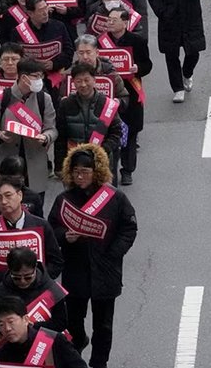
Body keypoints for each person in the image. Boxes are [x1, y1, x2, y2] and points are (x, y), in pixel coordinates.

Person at [48, 145, 137, 368]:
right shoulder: (64, 199)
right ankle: (77, 351)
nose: (80, 177)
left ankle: (99, 363)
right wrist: (64, 237)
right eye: (76, 171)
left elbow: (129, 228)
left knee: (103, 326)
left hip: (105, 271)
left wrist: (115, 253)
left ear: (96, 171)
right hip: (76, 270)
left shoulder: (115, 198)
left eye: (85, 172)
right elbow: (52, 229)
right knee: (74, 324)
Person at [0, 176, 63, 290]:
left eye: (8, 195)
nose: (4, 201)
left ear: (20, 195)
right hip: (3, 295)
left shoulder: (41, 226)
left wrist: (37, 279)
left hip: (36, 292)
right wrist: (3, 280)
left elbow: (56, 261)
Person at [0, 59, 57, 194]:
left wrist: (46, 137)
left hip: (34, 162)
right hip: (6, 160)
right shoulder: (2, 97)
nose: (40, 80)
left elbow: (52, 128)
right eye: (36, 76)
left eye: (41, 76)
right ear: (24, 77)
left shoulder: (44, 99)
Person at [103, 7, 152, 185]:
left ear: (125, 22)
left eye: (114, 20)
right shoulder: (101, 42)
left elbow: (147, 64)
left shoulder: (137, 41)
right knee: (110, 132)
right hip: (108, 93)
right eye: (108, 20)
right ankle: (110, 171)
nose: (110, 23)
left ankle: (128, 170)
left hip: (131, 92)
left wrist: (137, 68)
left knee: (130, 131)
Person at [54, 63, 123, 179]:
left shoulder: (107, 104)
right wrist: (59, 165)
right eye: (79, 81)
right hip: (75, 162)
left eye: (87, 80)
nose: (83, 84)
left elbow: (116, 133)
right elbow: (60, 137)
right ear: (73, 82)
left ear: (94, 80)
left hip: (101, 162)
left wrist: (102, 150)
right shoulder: (66, 104)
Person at [0, 247, 67, 337]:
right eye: (16, 278)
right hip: (10, 344)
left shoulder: (51, 289)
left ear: (35, 268)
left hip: (42, 343)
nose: (22, 281)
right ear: (9, 270)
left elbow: (61, 324)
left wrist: (31, 326)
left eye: (28, 277)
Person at [0, 296, 87, 368]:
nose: (7, 328)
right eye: (1, 325)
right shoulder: (0, 356)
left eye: (11, 322)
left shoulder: (53, 340)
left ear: (26, 319)